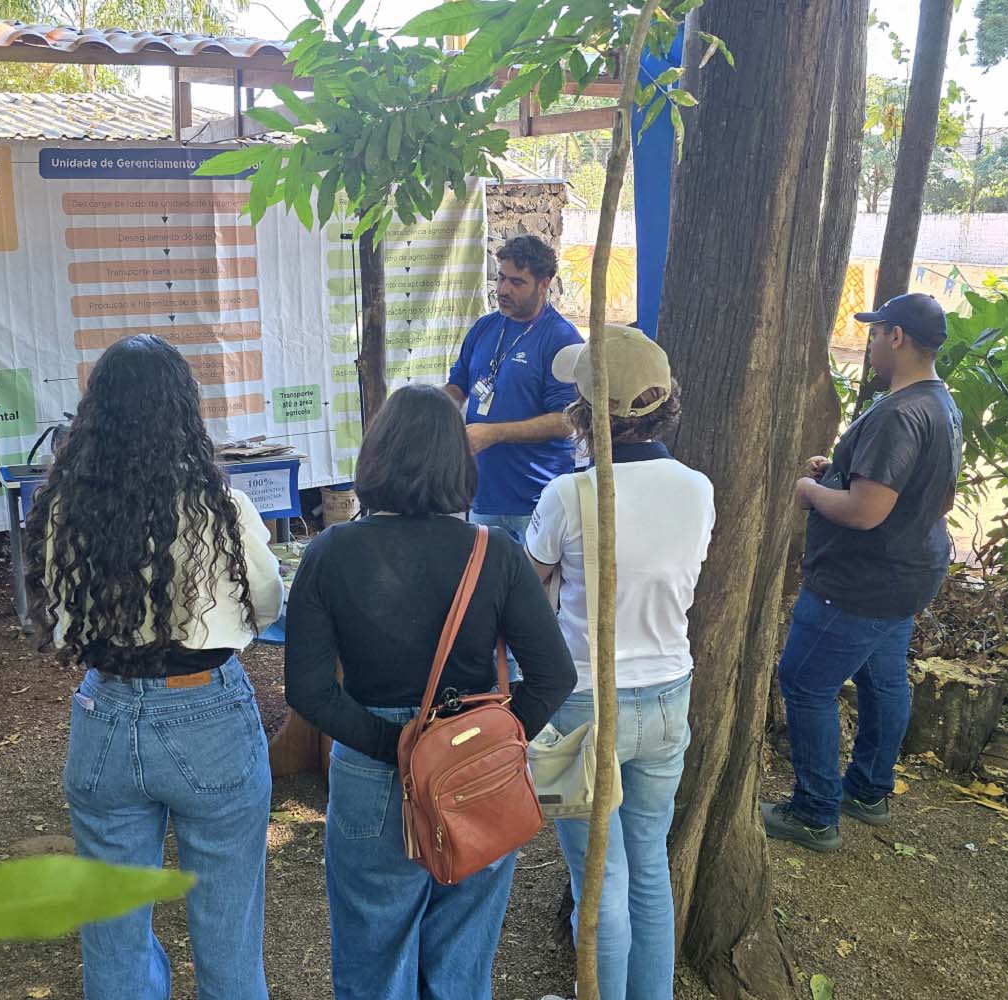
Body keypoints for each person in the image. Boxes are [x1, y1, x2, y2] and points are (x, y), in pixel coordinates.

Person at [285, 384, 574, 1000]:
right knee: (462, 961)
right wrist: (484, 741)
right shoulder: (493, 553)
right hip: (475, 770)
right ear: (459, 465)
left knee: (372, 953)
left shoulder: (330, 552)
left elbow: (307, 691)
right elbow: (554, 676)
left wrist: (399, 746)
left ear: (375, 457)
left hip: (371, 771)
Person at [24, 335, 283, 1000]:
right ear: (183, 412)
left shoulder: (61, 510)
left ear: (94, 415)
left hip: (104, 714)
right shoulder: (219, 508)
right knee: (227, 935)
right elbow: (266, 600)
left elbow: (55, 613)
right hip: (208, 715)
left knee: (112, 937)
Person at [526, 329, 715, 1000]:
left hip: (586, 700)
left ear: (591, 414)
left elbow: (531, 584)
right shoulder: (697, 489)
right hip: (668, 694)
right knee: (648, 868)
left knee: (598, 880)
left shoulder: (568, 495)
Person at [764, 293, 963, 852]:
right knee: (882, 677)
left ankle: (814, 811)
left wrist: (809, 492)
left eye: (876, 333)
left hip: (860, 583)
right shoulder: (937, 403)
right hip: (909, 572)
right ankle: (870, 789)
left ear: (896, 337)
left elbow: (868, 510)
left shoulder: (900, 412)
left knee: (805, 683)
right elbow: (921, 488)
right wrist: (842, 473)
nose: (870, 342)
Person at [446, 235, 583, 542]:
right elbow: (458, 385)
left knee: (535, 589)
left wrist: (494, 433)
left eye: (517, 282)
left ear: (544, 283)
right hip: (484, 494)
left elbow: (567, 420)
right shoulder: (485, 327)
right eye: (501, 278)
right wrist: (432, 409)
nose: (503, 290)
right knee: (486, 587)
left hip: (538, 498)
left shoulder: (562, 339)